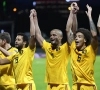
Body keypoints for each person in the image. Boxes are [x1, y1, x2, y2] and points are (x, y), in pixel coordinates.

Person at [30, 4, 78, 89]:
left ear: (60, 37)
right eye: (51, 35)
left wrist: (72, 13)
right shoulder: (48, 47)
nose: (51, 37)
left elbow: (72, 32)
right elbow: (38, 34)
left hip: (62, 85)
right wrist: (35, 18)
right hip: (50, 85)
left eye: (54, 35)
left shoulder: (65, 48)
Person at [0, 10, 36, 90]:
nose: (16, 41)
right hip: (18, 86)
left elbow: (32, 36)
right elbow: (1, 62)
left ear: (24, 42)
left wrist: (31, 19)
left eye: (19, 40)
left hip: (27, 85)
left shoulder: (28, 51)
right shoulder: (14, 54)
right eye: (16, 39)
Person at [67, 4, 98, 90]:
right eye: (76, 37)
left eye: (79, 37)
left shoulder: (91, 50)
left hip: (88, 86)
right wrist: (73, 13)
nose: (76, 38)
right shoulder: (73, 48)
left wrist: (90, 16)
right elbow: (69, 30)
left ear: (85, 40)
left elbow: (94, 35)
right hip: (75, 86)